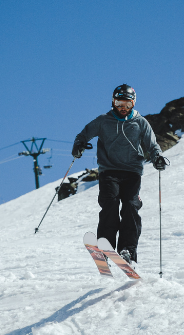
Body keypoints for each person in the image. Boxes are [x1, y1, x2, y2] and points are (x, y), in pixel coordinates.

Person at [72, 84, 169, 265]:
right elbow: (83, 134)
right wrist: (78, 145)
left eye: (127, 104)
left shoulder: (140, 122)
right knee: (110, 203)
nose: (123, 108)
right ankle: (106, 248)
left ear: (133, 104)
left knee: (131, 207)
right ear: (113, 102)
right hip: (109, 171)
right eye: (119, 103)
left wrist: (158, 158)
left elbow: (152, 145)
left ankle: (128, 251)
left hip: (132, 172)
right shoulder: (103, 121)